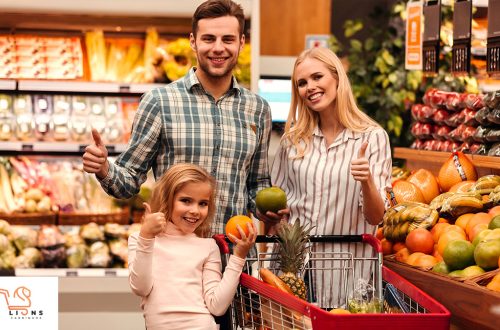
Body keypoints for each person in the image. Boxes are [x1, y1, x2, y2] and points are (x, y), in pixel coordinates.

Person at [82, 0, 272, 235]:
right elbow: (129, 180)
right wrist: (103, 168)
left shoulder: (258, 109)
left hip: (233, 256)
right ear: (194, 41)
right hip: (175, 258)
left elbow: (258, 185)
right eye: (209, 39)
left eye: (228, 39)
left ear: (241, 43)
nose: (218, 48)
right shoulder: (159, 102)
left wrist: (270, 210)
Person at [270, 47, 392, 308]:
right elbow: (277, 202)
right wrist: (273, 217)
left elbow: (376, 217)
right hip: (293, 271)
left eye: (317, 77)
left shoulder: (372, 137)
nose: (309, 87)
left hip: (345, 274)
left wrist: (367, 181)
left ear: (337, 77)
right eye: (302, 83)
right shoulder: (292, 141)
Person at [128, 163, 256, 330]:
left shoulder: (208, 246)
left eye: (203, 203)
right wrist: (146, 236)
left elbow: (217, 306)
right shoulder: (140, 239)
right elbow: (141, 288)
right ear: (167, 199)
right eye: (186, 201)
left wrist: (238, 256)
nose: (195, 210)